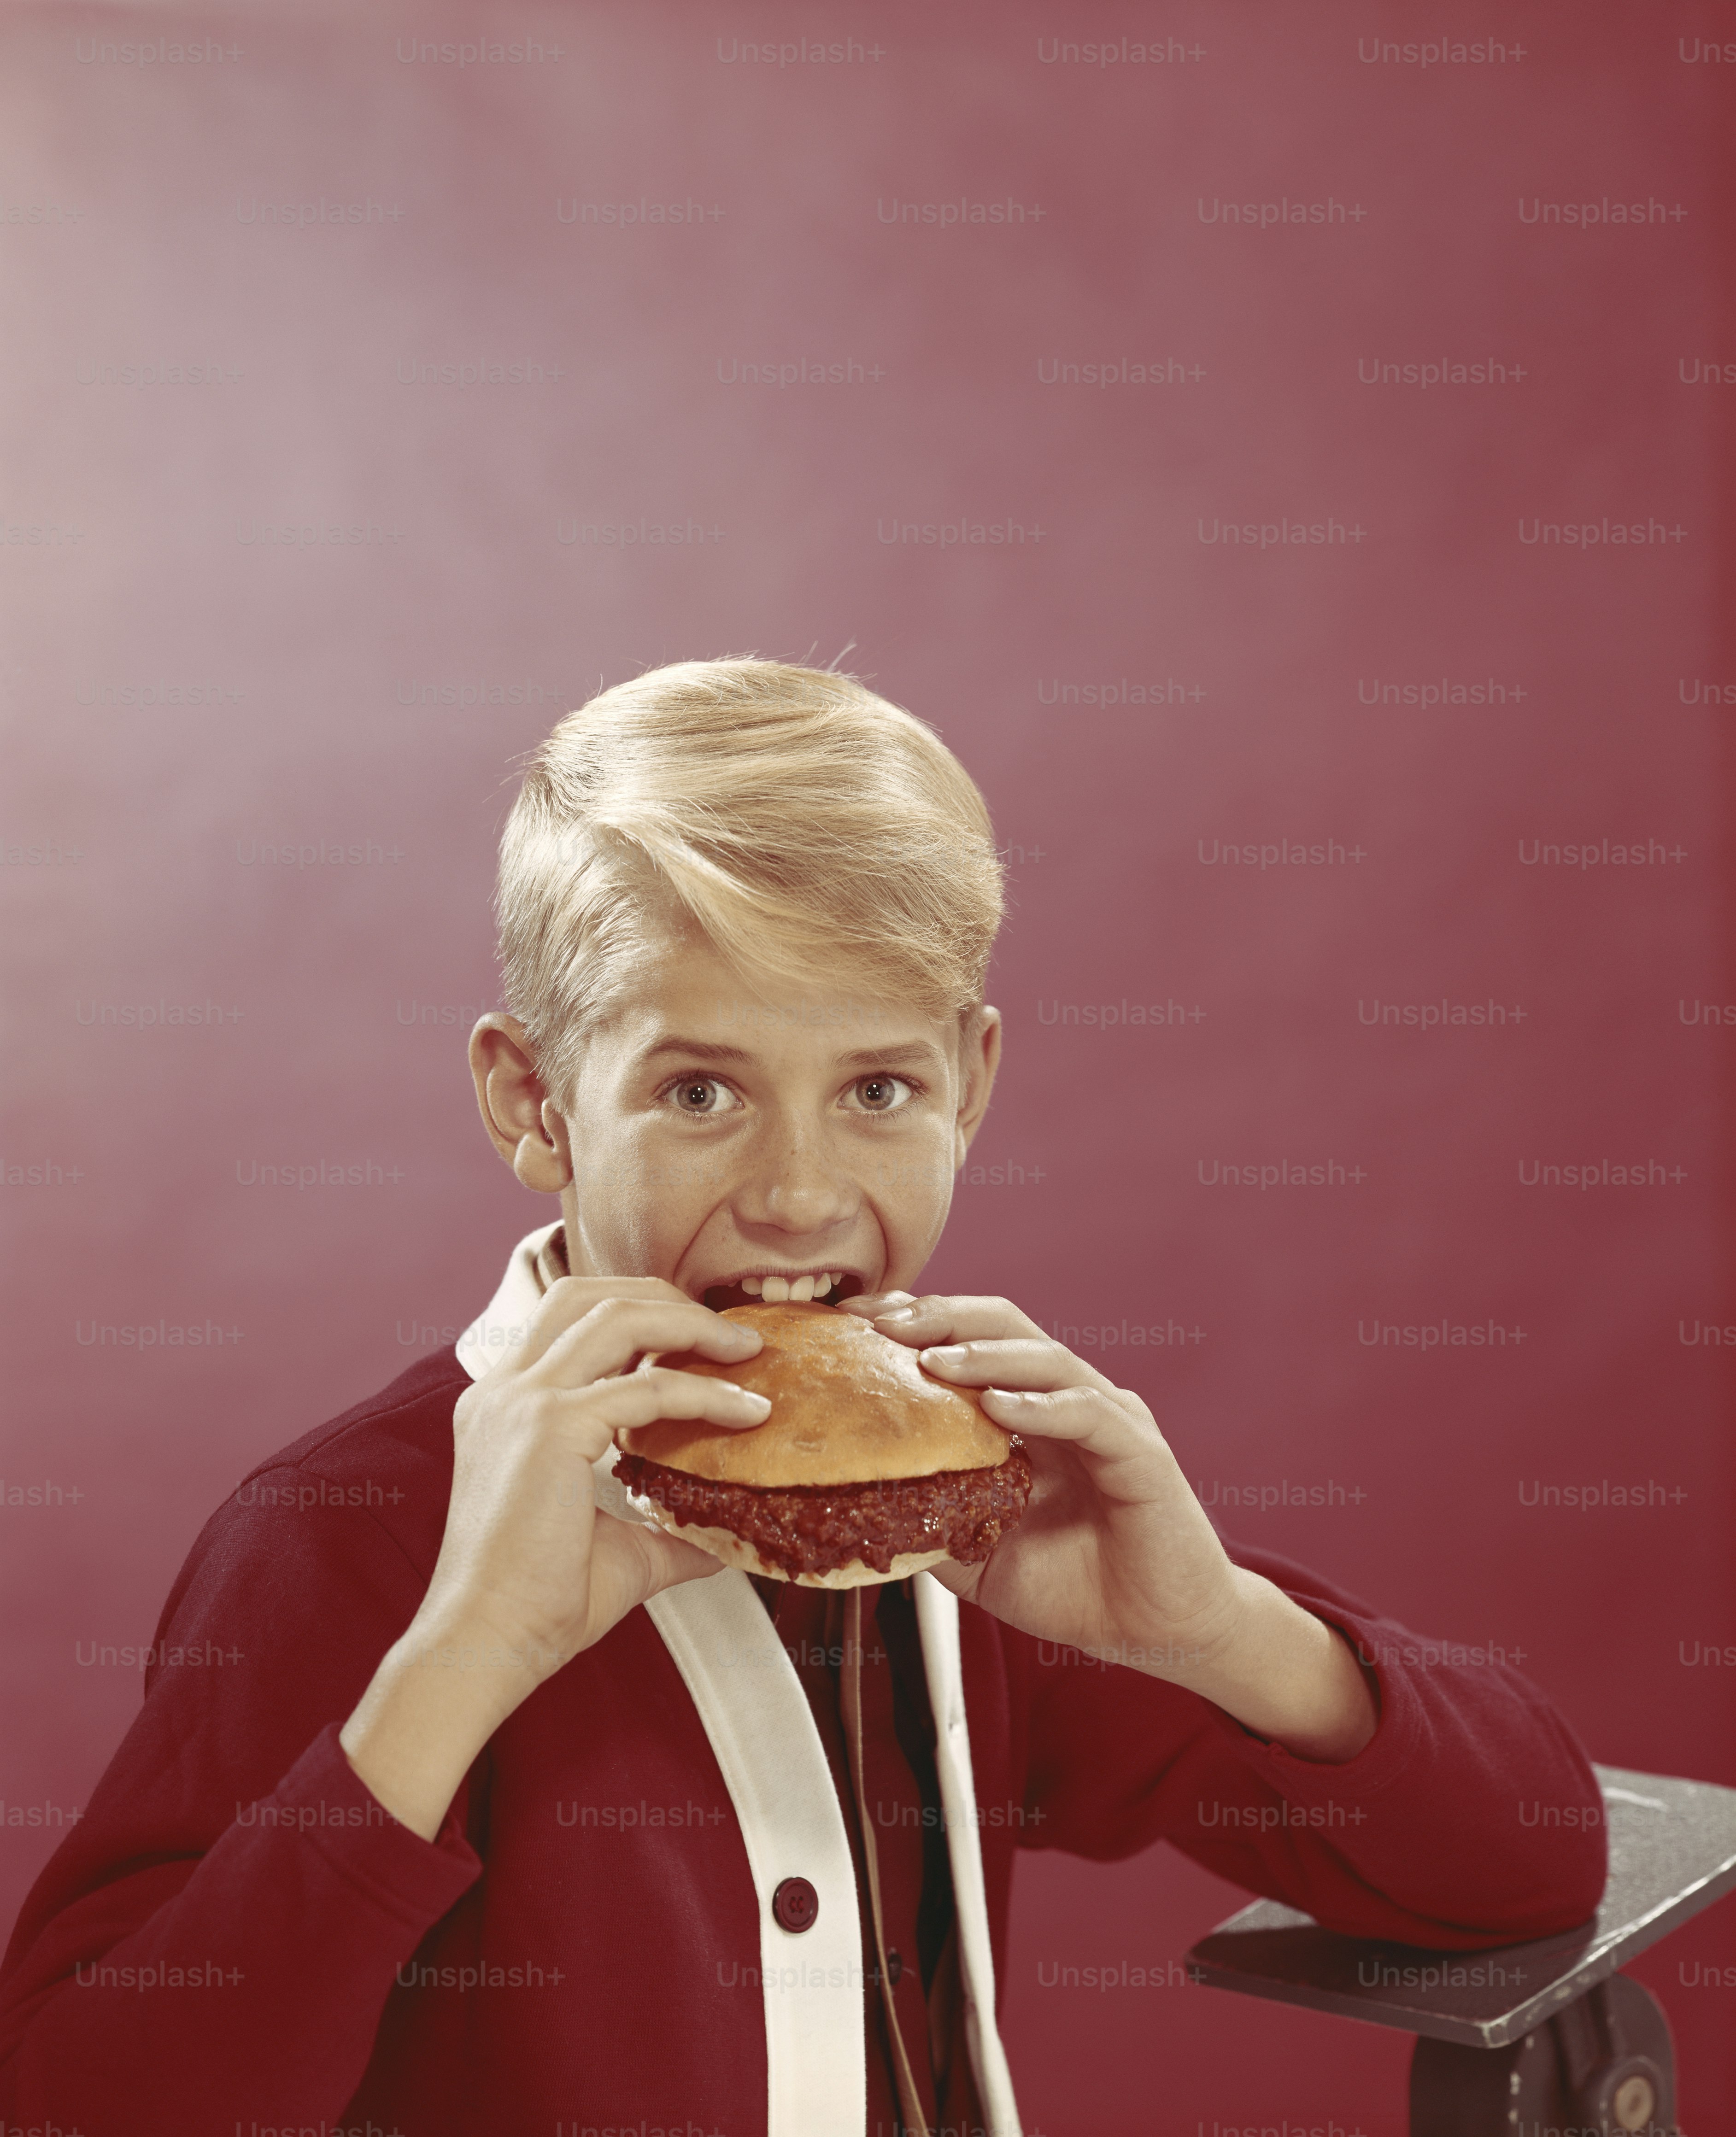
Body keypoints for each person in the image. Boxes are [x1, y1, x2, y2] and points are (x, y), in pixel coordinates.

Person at [0, 660, 1605, 2137]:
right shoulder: (345, 1534)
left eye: (878, 1091)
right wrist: (457, 1667)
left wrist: (1216, 1630)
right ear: (534, 1100)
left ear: (972, 1082)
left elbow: (1526, 1861)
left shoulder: (972, 1507)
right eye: (698, 1092)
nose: (795, 1194)